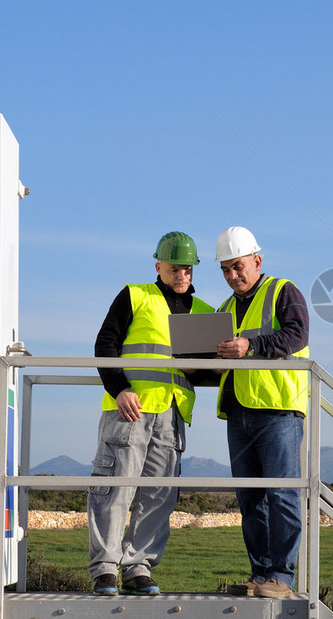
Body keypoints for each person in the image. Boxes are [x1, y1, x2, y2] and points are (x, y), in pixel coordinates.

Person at [88, 231, 214, 596]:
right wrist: (119, 388)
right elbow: (105, 344)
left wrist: (198, 370)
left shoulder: (205, 311)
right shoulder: (135, 295)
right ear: (158, 265)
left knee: (160, 494)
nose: (182, 276)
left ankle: (138, 566)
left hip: (172, 416)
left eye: (188, 270)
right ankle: (105, 569)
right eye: (175, 269)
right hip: (130, 409)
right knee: (116, 488)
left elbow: (211, 369)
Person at [213, 226, 310, 599]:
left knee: (282, 494)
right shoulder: (224, 308)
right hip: (238, 411)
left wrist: (249, 346)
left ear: (257, 260)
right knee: (250, 499)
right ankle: (260, 575)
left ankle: (282, 578)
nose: (232, 275)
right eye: (225, 269)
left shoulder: (283, 291)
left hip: (278, 410)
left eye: (238, 266)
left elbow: (297, 335)